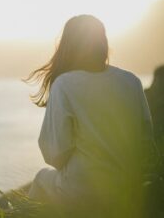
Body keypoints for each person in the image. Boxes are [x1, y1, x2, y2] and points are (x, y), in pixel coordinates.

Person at [22, 15, 154, 217]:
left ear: (68, 46)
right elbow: (146, 142)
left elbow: (54, 155)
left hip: (85, 194)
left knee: (41, 179)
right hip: (129, 190)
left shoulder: (65, 84)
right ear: (104, 42)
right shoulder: (131, 81)